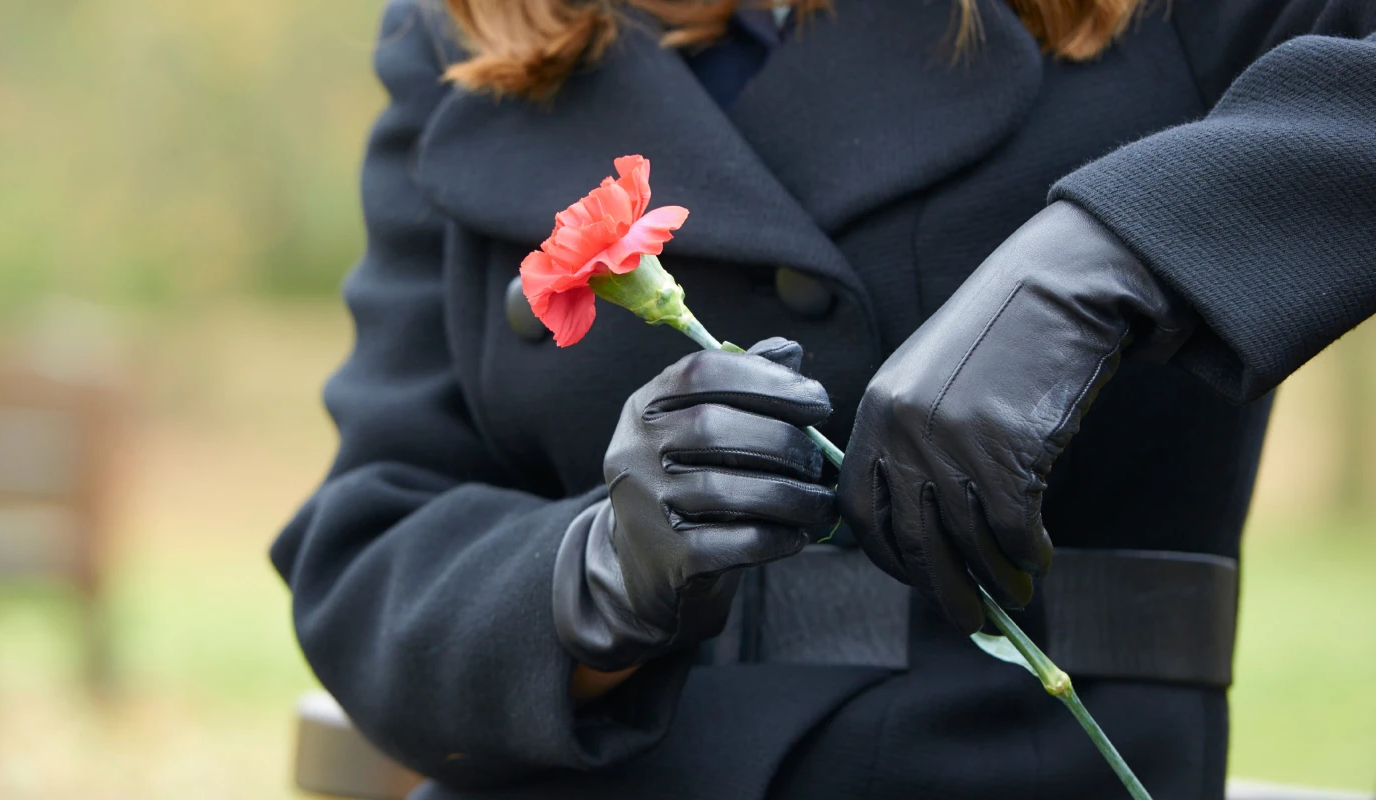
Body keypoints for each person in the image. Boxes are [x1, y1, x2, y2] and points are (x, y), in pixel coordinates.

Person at [270, 0, 1376, 797]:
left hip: (1015, 760)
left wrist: (1114, 254)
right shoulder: (462, 36)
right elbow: (370, 553)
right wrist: (596, 575)